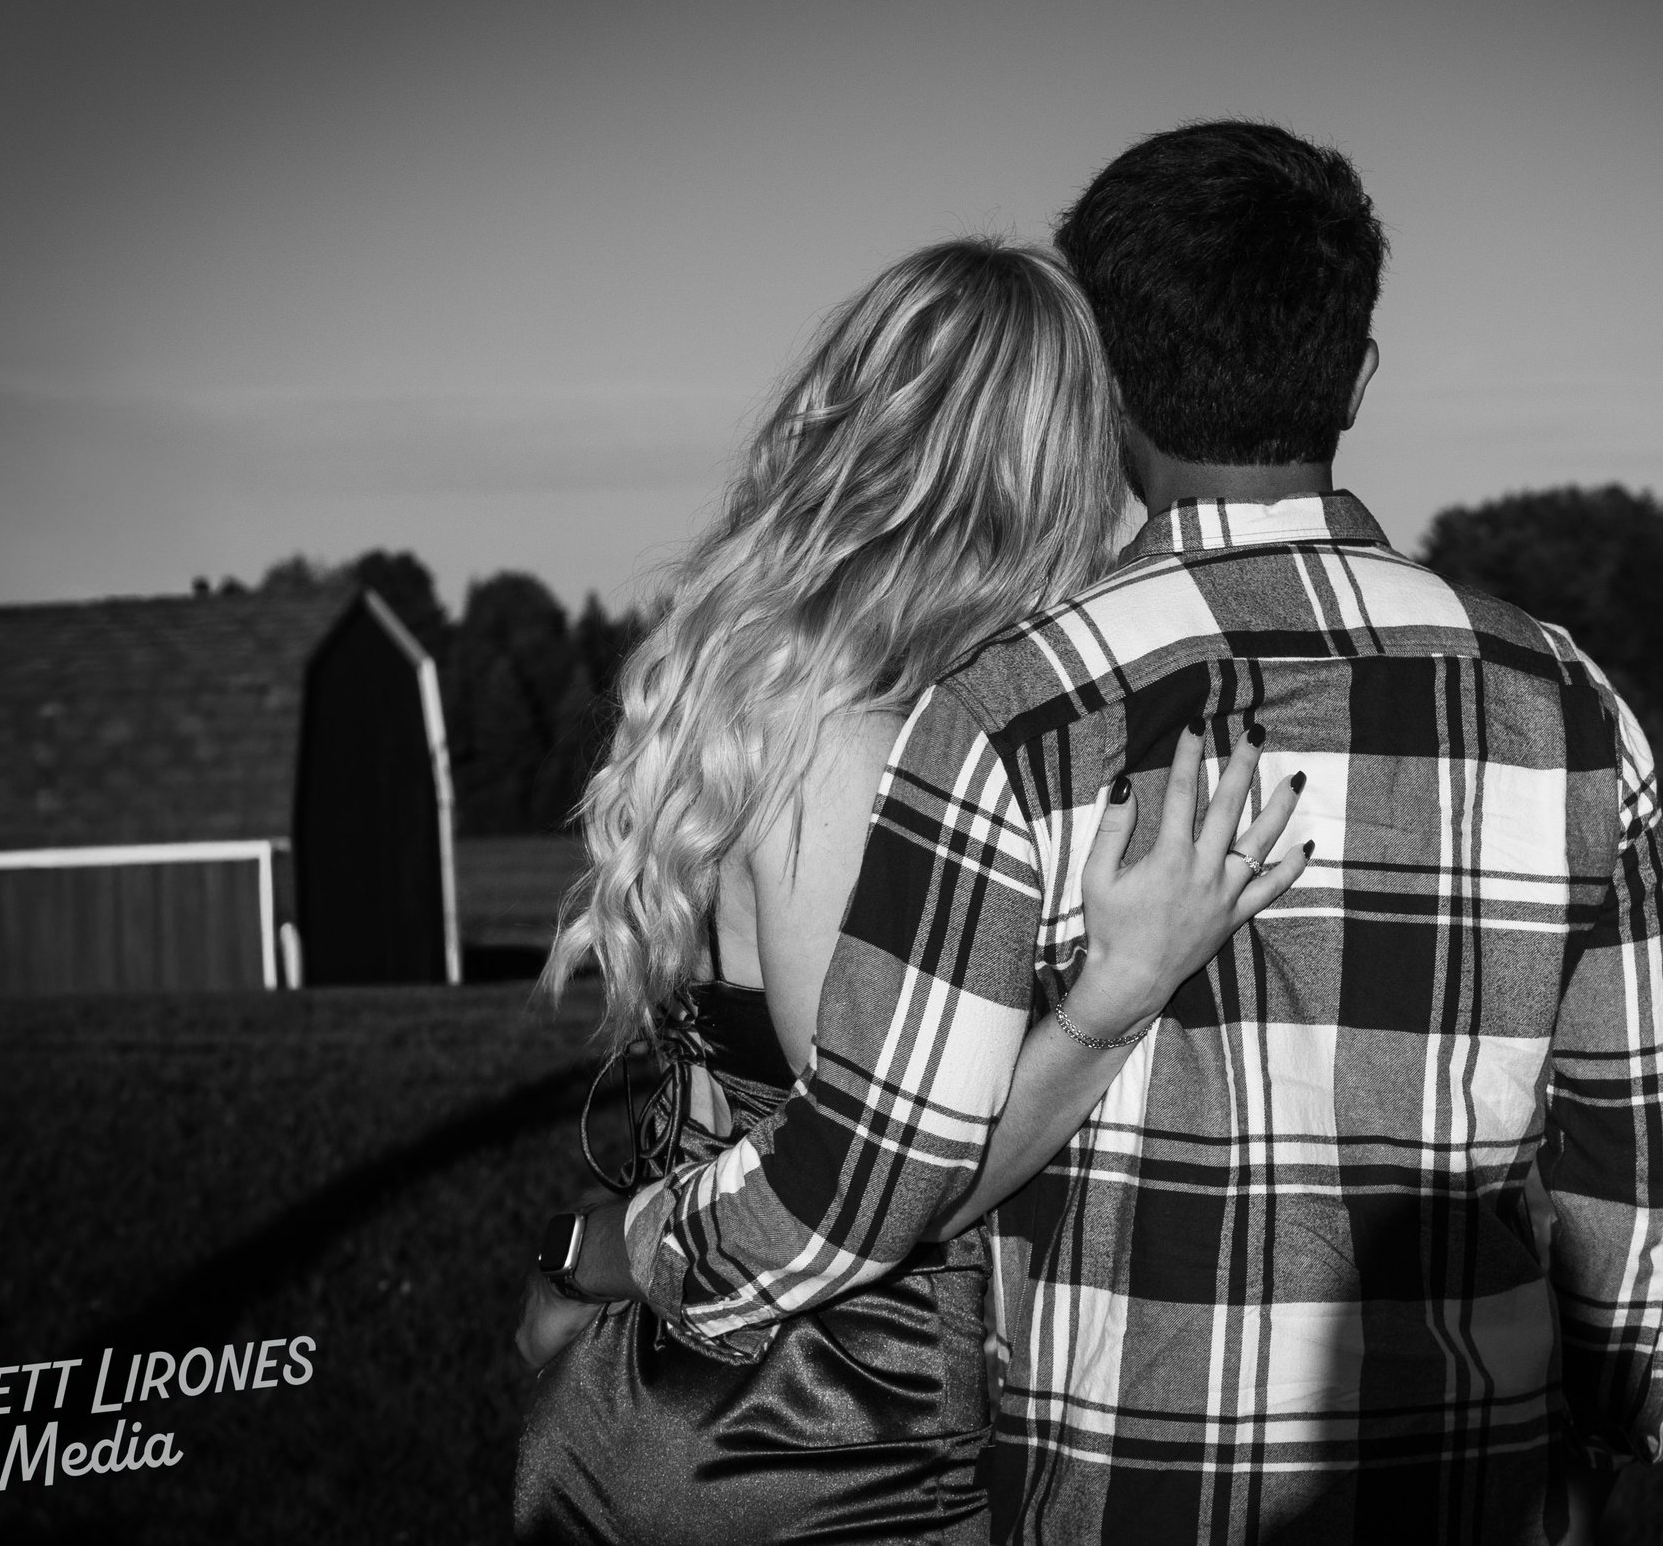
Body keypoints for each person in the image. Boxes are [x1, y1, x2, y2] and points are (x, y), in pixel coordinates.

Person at [625, 123, 1663, 1544]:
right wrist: (1622, 1409)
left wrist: (656, 1248)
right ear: (1360, 370)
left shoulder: (1018, 707)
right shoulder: (1567, 706)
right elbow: (1629, 1158)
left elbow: (877, 1160)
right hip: (1473, 1475)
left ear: (1107, 386)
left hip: (1122, 1489)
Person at [510, 238, 1314, 1544]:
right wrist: (1117, 993)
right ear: (1046, 470)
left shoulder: (819, 696)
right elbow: (876, 1171)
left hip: (717, 1389)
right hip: (815, 1421)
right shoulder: (852, 732)